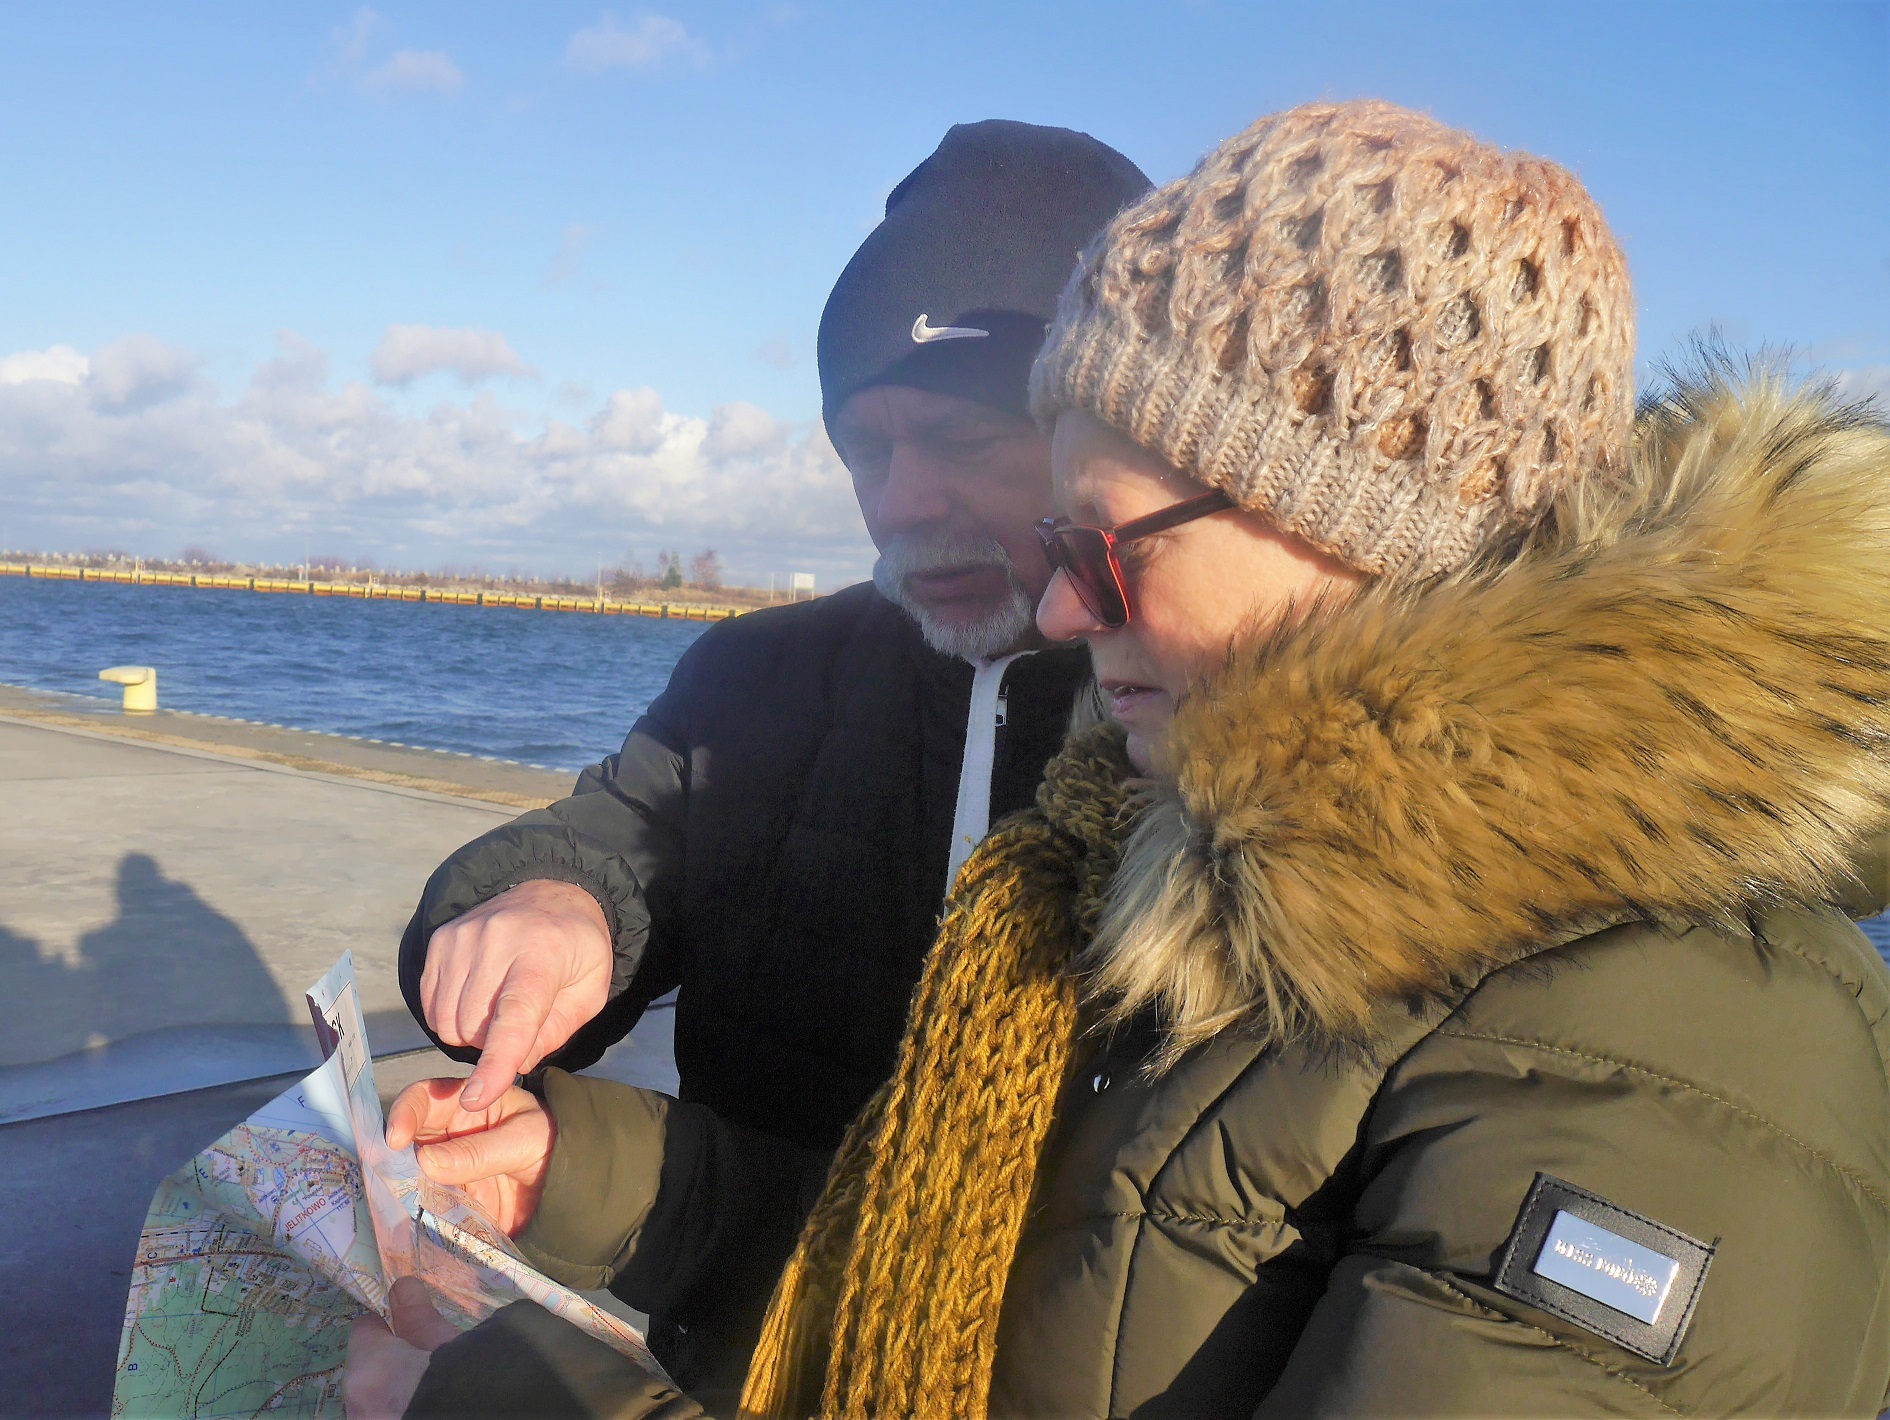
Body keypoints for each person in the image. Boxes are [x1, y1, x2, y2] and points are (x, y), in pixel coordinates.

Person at [370, 101, 1890, 1417]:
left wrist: (496, 1395)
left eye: (1097, 544)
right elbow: (994, 1274)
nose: (1054, 606)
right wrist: (572, 1165)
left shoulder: (1667, 1040)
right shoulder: (1159, 842)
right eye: (861, 450)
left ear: (1357, 519)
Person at [385, 118, 1150, 1398]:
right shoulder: (757, 672)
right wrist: (552, 904)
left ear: (1109, 430)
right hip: (728, 1352)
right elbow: (618, 834)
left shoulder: (1195, 713)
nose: (901, 502)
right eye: (865, 449)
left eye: (964, 440)